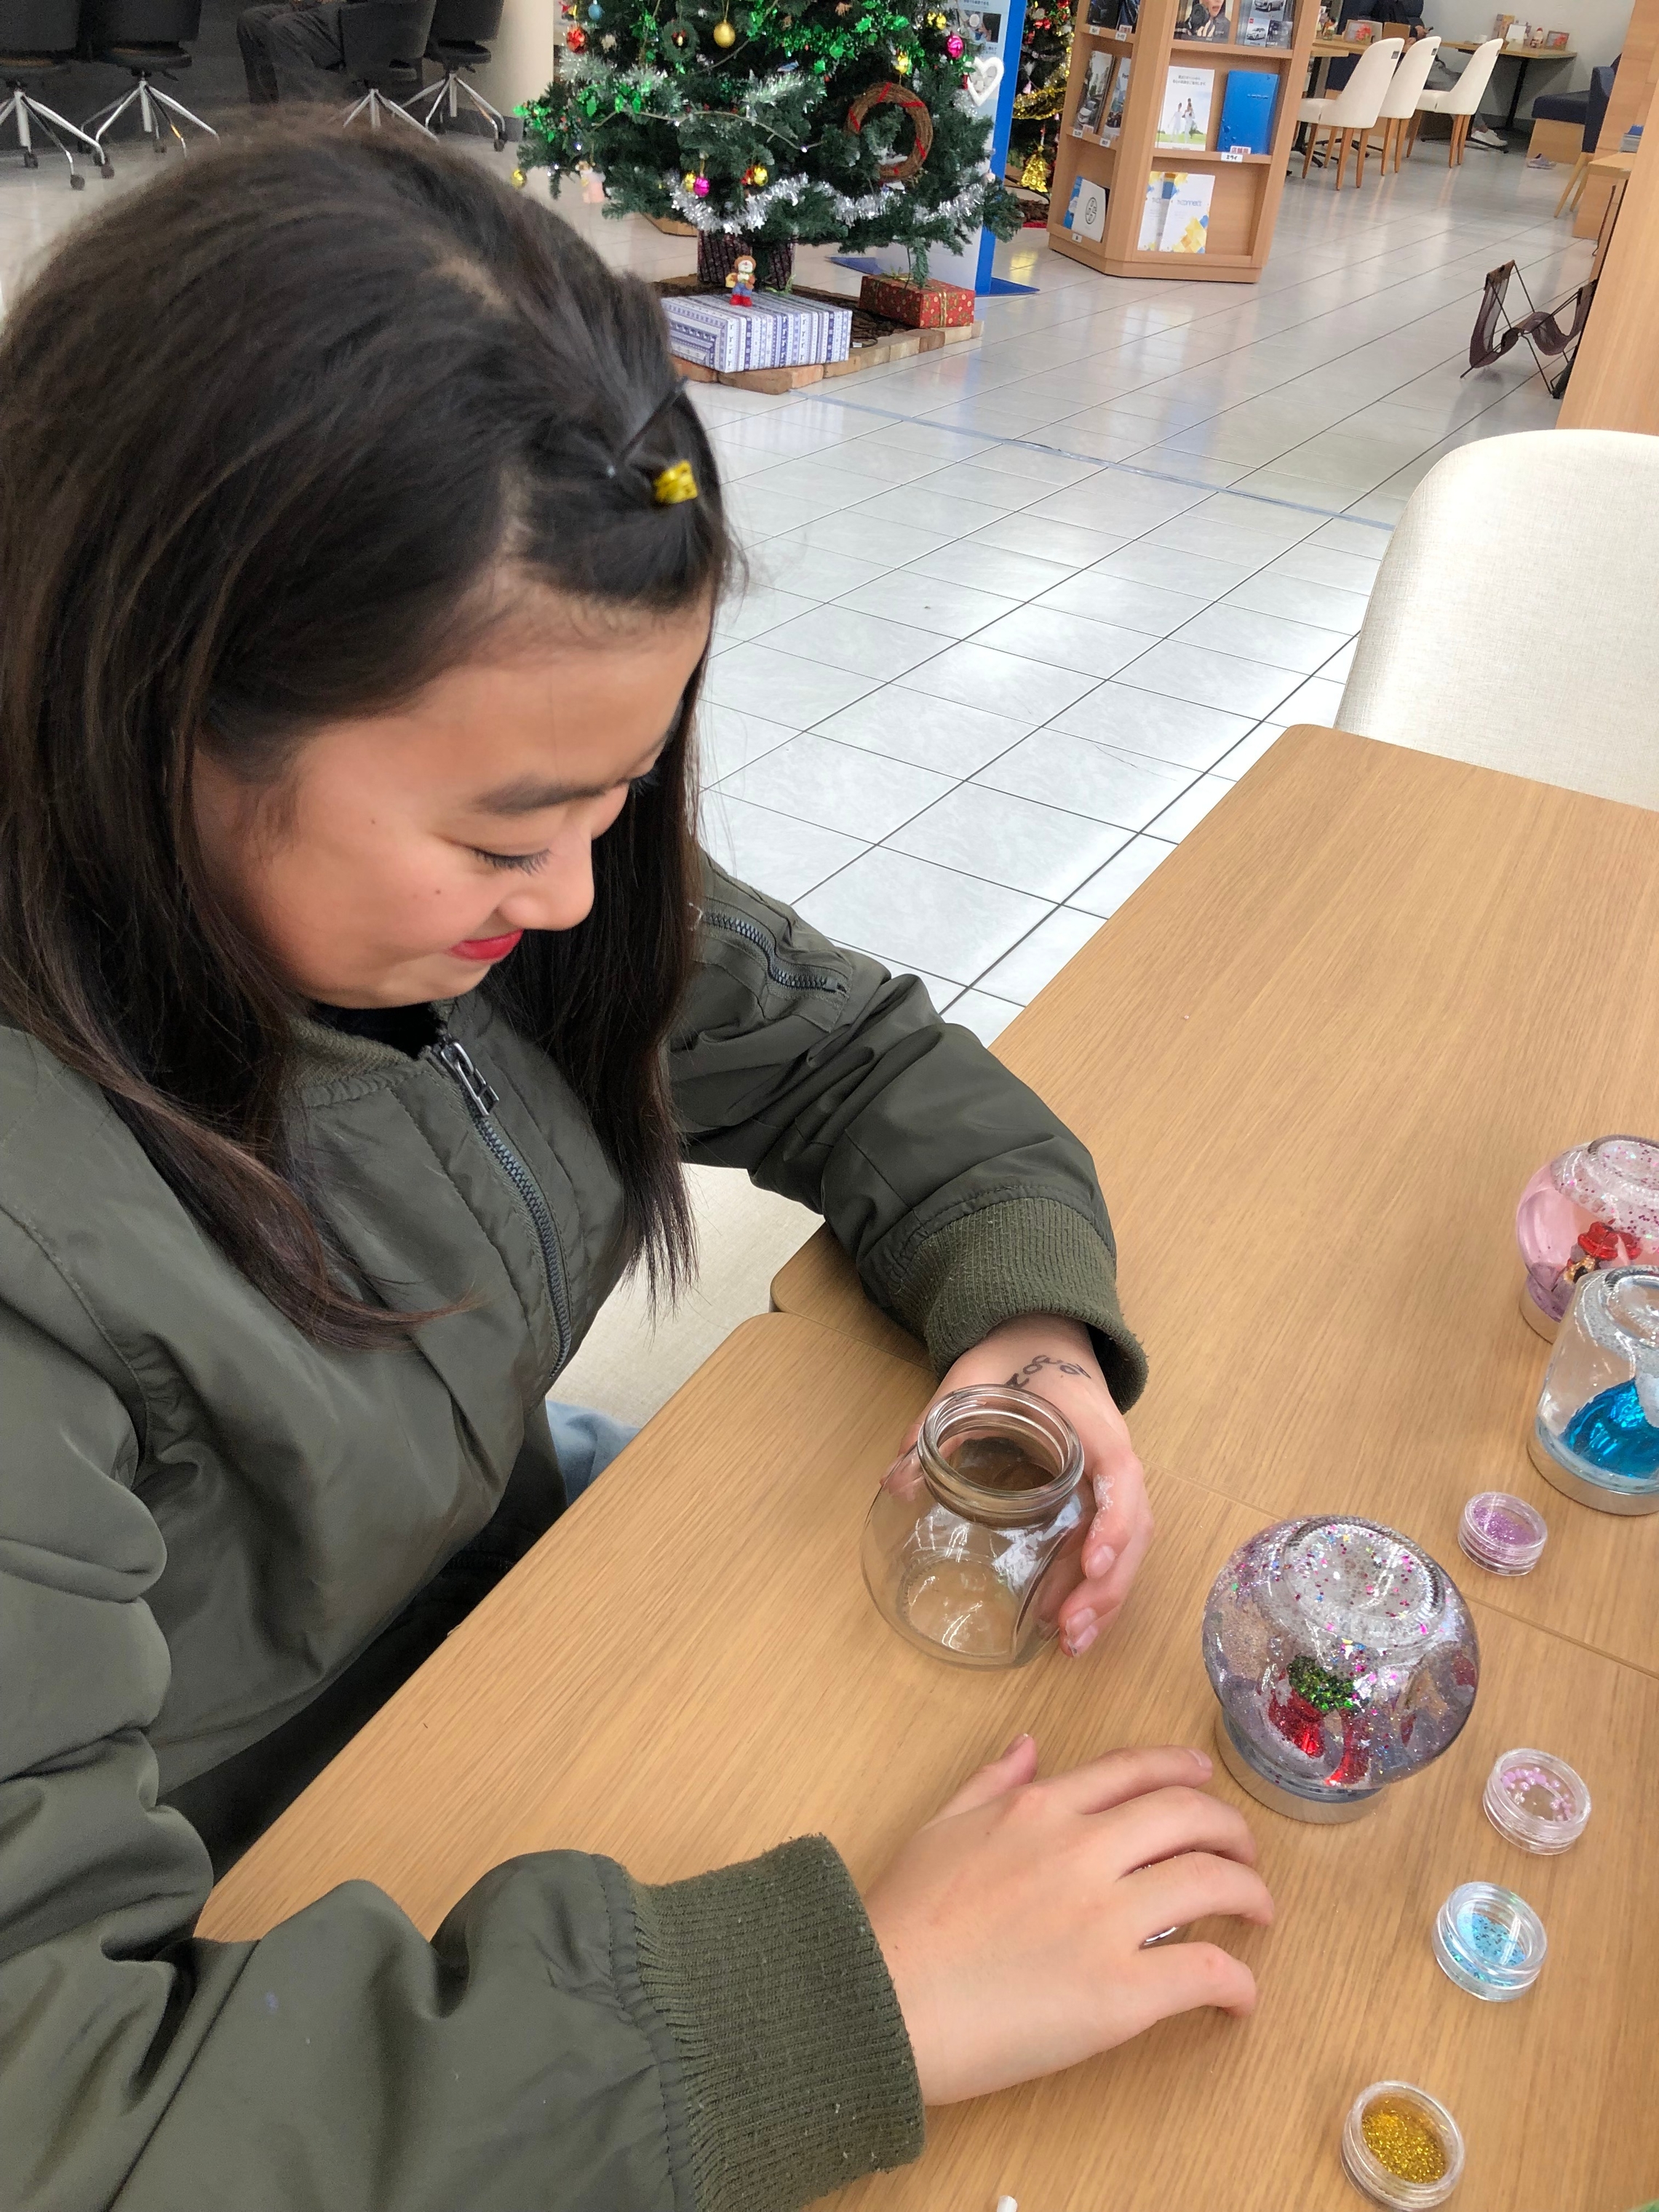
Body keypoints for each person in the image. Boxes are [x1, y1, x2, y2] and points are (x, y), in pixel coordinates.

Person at [0, 127, 1273, 2212]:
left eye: (618, 800)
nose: (583, 893)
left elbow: (860, 1055)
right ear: (156, 719)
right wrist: (853, 2007)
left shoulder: (485, 911)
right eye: (508, 833)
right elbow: (57, 2104)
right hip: (272, 1899)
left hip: (499, 1624)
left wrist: (1026, 1330)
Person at [237, 0, 351, 104]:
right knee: (252, 21)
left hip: (351, 8)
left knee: (284, 30)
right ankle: (267, 112)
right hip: (318, 4)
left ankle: (305, 113)